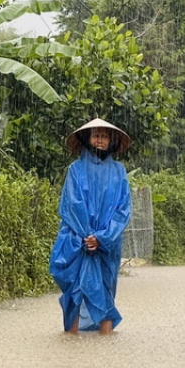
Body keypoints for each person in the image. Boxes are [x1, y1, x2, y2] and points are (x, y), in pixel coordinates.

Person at [49, 118, 133, 334]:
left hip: (107, 245)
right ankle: (72, 338)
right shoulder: (75, 170)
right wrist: (87, 235)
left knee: (105, 291)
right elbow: (71, 204)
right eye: (95, 135)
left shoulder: (119, 171)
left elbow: (122, 210)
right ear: (87, 139)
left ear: (111, 141)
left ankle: (105, 341)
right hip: (76, 240)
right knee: (75, 291)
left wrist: (102, 237)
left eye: (104, 136)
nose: (99, 140)